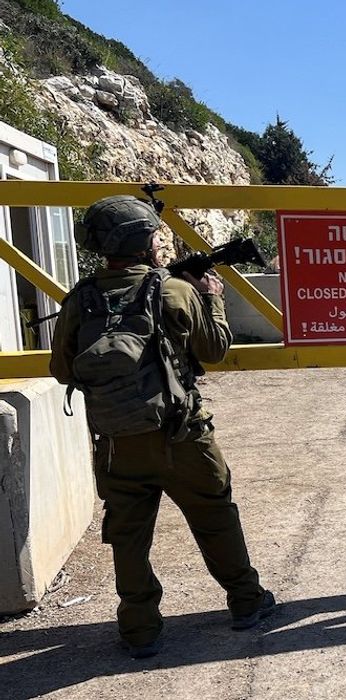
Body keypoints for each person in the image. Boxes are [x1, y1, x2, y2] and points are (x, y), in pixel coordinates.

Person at [49, 195, 275, 659]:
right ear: (146, 241)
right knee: (214, 515)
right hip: (183, 436)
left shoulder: (81, 299)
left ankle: (140, 629)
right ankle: (246, 601)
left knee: (129, 536)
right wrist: (211, 299)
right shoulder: (175, 290)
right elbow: (213, 350)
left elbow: (61, 368)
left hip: (117, 443)